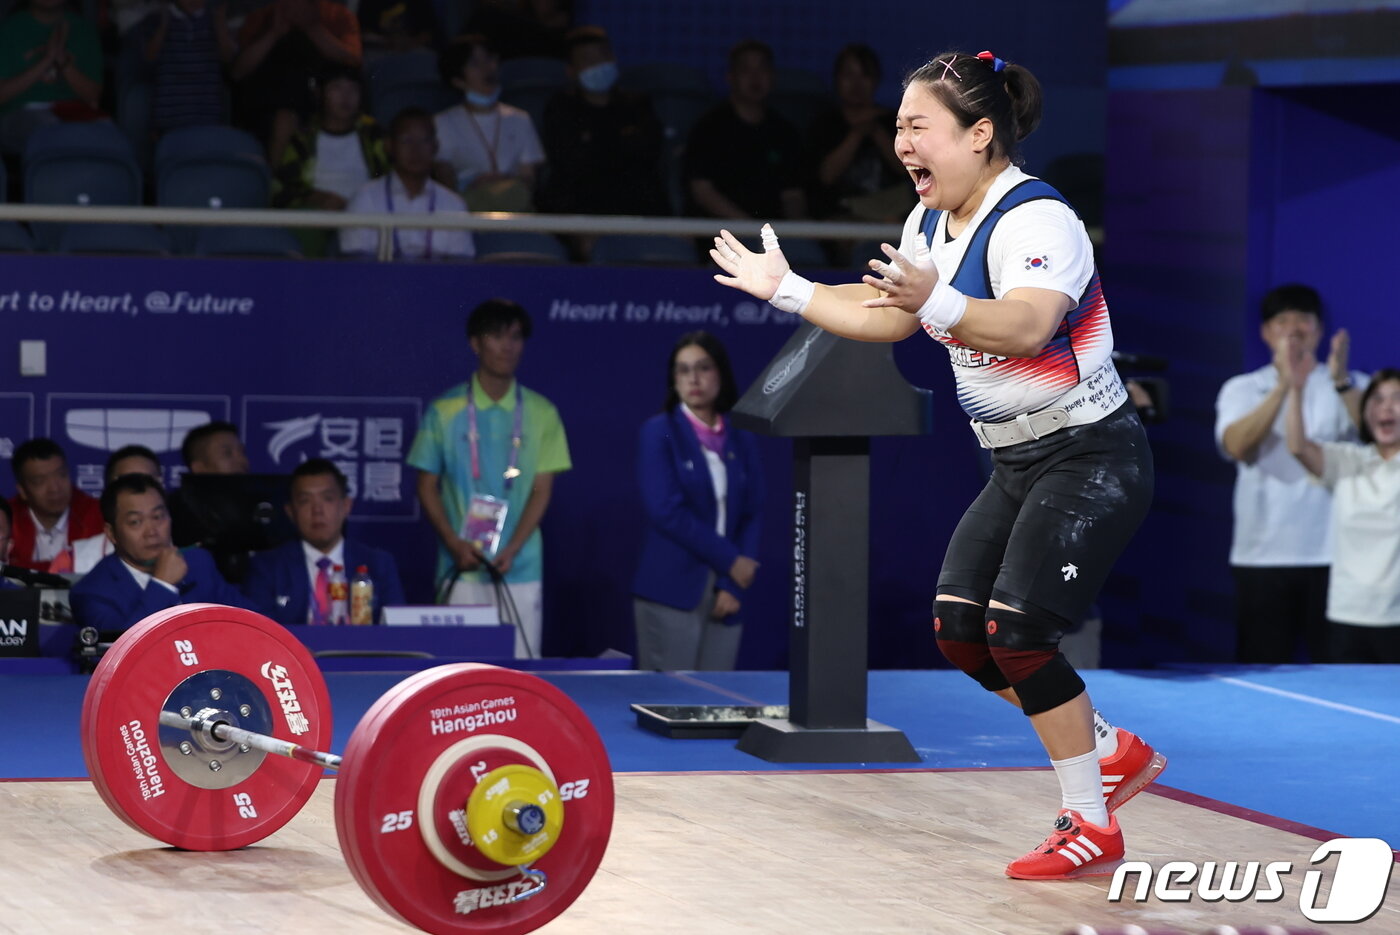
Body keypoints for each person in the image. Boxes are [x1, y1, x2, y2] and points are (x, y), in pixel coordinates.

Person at [709, 49, 1165, 881]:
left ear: (980, 134)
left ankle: (1091, 821)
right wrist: (787, 288)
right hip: (1014, 461)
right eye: (896, 127)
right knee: (963, 634)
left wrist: (937, 303)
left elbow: (1027, 327)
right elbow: (890, 316)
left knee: (1020, 634)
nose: (901, 142)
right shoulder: (928, 222)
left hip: (1091, 455)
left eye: (917, 126)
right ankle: (1105, 748)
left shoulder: (1037, 219)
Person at [408, 298, 571, 657]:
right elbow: (426, 485)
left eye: (515, 337)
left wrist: (512, 548)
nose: (507, 346)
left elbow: (542, 490)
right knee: (456, 676)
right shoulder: (445, 410)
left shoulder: (542, 412)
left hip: (520, 565)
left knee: (520, 674)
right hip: (459, 564)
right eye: (496, 336)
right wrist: (453, 542)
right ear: (475, 343)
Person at [1215, 284, 1366, 664]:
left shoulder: (1352, 384)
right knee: (1262, 669)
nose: (1295, 329)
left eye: (1304, 320)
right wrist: (1286, 384)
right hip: (1263, 555)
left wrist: (1341, 381)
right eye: (1283, 321)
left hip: (1338, 554)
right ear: (1266, 333)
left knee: (1340, 672)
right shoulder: (1244, 388)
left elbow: (1378, 441)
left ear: (1319, 330)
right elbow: (1236, 445)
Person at [632, 331, 763, 670]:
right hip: (672, 588)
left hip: (728, 589)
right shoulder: (658, 431)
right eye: (683, 370)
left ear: (720, 373)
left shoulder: (742, 435)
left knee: (716, 700)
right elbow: (666, 511)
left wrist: (733, 581)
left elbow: (753, 511)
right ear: (673, 380)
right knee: (670, 703)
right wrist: (732, 560)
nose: (693, 378)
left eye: (703, 367)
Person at [1286, 367, 1400, 663]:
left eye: (1397, 398)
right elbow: (1298, 448)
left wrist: (1341, 381)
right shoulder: (1349, 459)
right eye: (1376, 399)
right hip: (1347, 614)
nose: (1386, 407)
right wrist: (1294, 388)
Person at [69, 473, 251, 631]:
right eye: (135, 522)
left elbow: (251, 619)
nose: (152, 531)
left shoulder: (198, 562)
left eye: (157, 517)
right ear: (111, 533)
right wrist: (163, 586)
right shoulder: (92, 593)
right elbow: (119, 654)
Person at [243, 458, 404, 626]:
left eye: (327, 498)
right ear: (290, 512)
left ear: (346, 506)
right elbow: (260, 632)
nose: (317, 510)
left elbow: (398, 631)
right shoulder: (266, 568)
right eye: (305, 501)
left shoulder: (378, 564)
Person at [535, 25, 666, 219]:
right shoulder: (560, 109)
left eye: (603, 55)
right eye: (587, 59)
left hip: (638, 208)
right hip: (580, 212)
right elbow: (569, 165)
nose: (598, 64)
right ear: (571, 71)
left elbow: (647, 155)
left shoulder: (638, 106)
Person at [272, 64, 388, 256]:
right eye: (337, 88)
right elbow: (282, 189)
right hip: (318, 218)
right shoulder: (304, 139)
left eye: (353, 90)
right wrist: (316, 198)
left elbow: (392, 180)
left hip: (366, 218)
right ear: (320, 93)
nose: (346, 97)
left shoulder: (375, 136)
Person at [685, 39, 805, 221]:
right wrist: (749, 227)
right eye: (746, 70)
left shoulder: (784, 131)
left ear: (773, 77)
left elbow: (792, 194)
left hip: (773, 236)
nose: (755, 77)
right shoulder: (708, 128)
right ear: (730, 77)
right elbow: (702, 191)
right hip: (722, 234)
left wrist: (792, 232)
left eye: (762, 69)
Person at [230, 0, 362, 162]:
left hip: (321, 114)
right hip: (265, 112)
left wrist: (312, 28)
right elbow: (237, 72)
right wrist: (274, 33)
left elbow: (353, 62)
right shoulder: (263, 16)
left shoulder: (337, 15)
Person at [340, 107, 475, 261]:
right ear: (389, 146)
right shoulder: (365, 198)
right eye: (406, 140)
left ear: (435, 146)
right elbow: (355, 262)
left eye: (423, 140)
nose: (416, 150)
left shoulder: (453, 204)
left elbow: (461, 267)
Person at [433, 34, 544, 213]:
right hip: (467, 211)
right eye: (475, 64)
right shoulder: (442, 123)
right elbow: (445, 181)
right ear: (458, 80)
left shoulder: (521, 118)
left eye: (490, 59)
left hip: (516, 209)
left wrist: (504, 185)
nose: (487, 69)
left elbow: (528, 179)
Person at [806, 43, 907, 221]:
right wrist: (856, 135)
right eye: (848, 75)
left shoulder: (898, 121)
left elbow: (908, 171)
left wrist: (877, 132)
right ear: (836, 79)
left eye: (865, 75)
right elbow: (825, 177)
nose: (856, 83)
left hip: (892, 214)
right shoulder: (823, 124)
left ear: (876, 79)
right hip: (841, 217)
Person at [0, 0, 103, 154]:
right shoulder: (8, 29)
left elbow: (92, 96)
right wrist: (47, 60)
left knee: (109, 137)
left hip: (73, 112)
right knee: (52, 131)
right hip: (21, 113)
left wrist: (61, 59)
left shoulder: (83, 29)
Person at [51, 444, 162, 575]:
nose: (141, 495)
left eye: (149, 483)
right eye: (128, 485)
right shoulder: (73, 560)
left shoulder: (188, 554)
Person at [137, 0, 235, 134]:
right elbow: (148, 58)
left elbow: (228, 58)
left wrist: (220, 24)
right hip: (168, 124)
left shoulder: (217, 19)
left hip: (207, 122)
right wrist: (163, 25)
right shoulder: (155, 19)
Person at [6, 437, 104, 572]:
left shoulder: (98, 514)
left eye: (61, 475)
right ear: (23, 491)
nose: (55, 488)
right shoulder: (6, 519)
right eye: (40, 481)